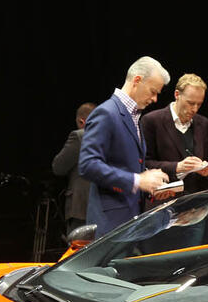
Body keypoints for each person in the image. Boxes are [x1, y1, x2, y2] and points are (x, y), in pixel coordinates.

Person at [78, 56, 171, 236]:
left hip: (130, 223)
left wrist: (151, 187)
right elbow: (87, 165)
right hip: (110, 226)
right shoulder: (106, 113)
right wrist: (138, 181)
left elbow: (129, 166)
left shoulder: (135, 117)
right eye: (153, 91)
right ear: (137, 80)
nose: (155, 99)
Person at [142, 73, 208, 194]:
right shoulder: (151, 121)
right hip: (165, 200)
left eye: (199, 104)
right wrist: (177, 167)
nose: (195, 109)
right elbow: (144, 163)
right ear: (177, 94)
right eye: (191, 103)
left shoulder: (205, 124)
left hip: (198, 199)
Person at [51, 102, 96, 233]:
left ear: (81, 121)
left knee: (80, 251)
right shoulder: (111, 136)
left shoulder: (80, 136)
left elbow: (58, 167)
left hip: (81, 207)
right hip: (106, 205)